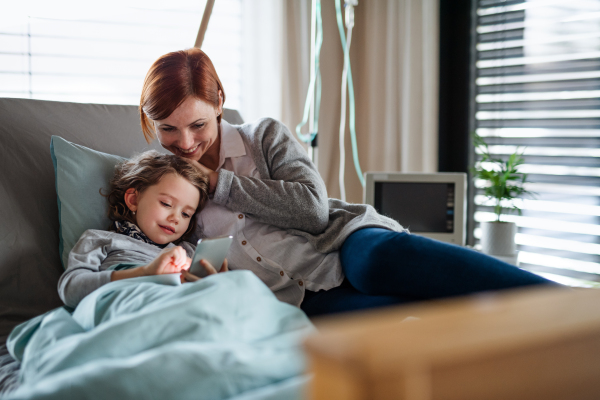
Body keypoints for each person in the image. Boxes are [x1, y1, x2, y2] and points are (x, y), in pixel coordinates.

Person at [137, 48, 557, 317]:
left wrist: (219, 183)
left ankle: (572, 304)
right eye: (168, 129)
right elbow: (162, 253)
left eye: (197, 124)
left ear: (219, 104)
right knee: (394, 317)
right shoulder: (160, 181)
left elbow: (313, 211)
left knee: (376, 266)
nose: (185, 143)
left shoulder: (263, 136)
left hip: (343, 242)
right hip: (297, 298)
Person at [58, 151, 226, 309]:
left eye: (186, 214)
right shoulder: (101, 240)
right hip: (132, 307)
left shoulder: (189, 252)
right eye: (166, 204)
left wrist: (220, 283)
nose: (176, 218)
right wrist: (145, 273)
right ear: (133, 199)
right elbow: (70, 290)